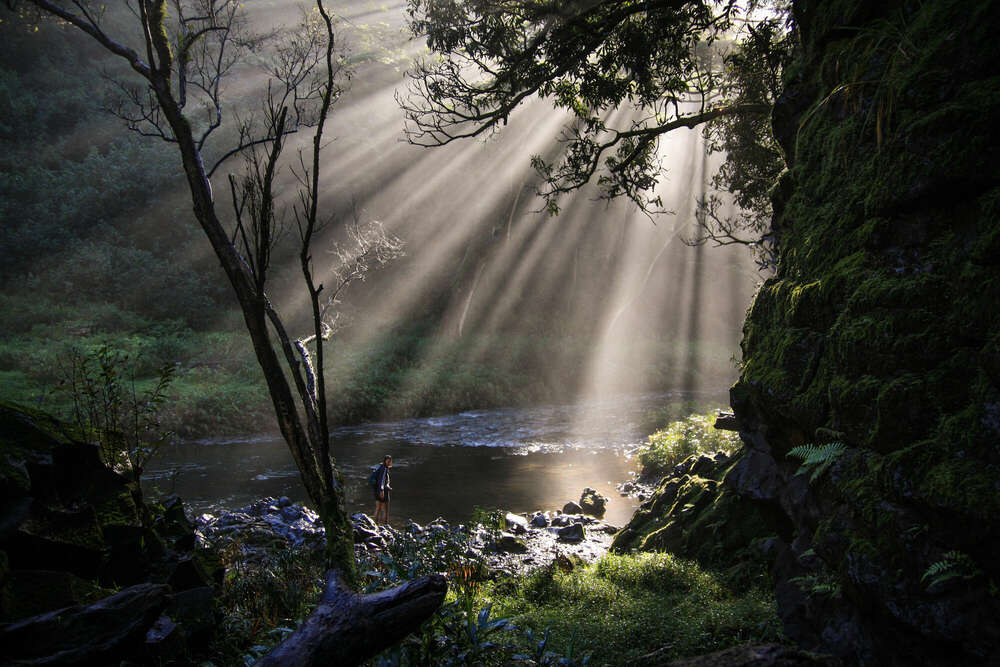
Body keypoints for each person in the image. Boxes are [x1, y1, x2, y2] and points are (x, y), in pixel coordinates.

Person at [373, 454, 392, 525]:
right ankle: (385, 525)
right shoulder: (384, 469)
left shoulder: (380, 467)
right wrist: (382, 490)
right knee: (385, 510)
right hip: (383, 491)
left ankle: (375, 524)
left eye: (390, 461)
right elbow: (382, 480)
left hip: (376, 490)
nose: (389, 462)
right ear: (385, 461)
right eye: (388, 461)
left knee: (378, 508)